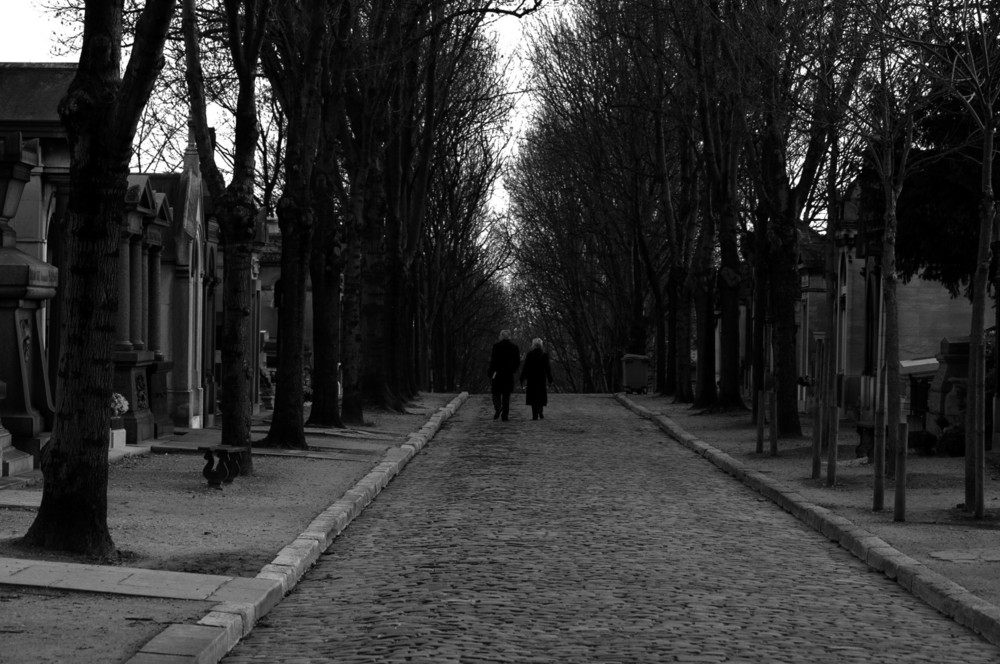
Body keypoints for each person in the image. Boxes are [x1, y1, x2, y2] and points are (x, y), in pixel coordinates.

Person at [488, 330, 520, 421]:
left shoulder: (496, 346)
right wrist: (513, 370)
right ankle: (505, 415)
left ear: (501, 336)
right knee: (506, 395)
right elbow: (517, 361)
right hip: (508, 374)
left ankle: (498, 408)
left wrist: (491, 372)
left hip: (497, 373)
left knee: (496, 393)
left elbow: (493, 361)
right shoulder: (514, 347)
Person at [520, 338, 553, 420]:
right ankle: (540, 411)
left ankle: (534, 414)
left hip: (532, 378)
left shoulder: (530, 354)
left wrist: (522, 378)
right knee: (541, 395)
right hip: (541, 378)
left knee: (533, 396)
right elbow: (548, 368)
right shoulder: (544, 355)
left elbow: (526, 367)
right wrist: (550, 379)